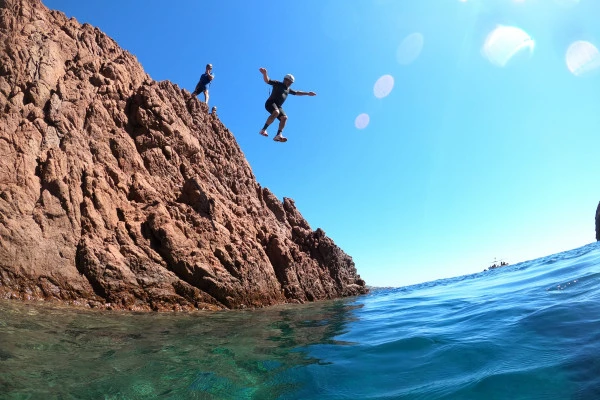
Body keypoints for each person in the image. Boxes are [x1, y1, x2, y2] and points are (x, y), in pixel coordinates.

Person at [258, 67, 316, 142]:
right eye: (288, 82)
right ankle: (263, 130)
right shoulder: (278, 83)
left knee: (284, 118)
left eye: (291, 83)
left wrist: (308, 93)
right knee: (276, 112)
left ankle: (278, 135)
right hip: (270, 103)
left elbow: (297, 92)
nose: (289, 84)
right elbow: (267, 80)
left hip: (278, 106)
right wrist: (265, 74)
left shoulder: (288, 89)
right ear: (285, 80)